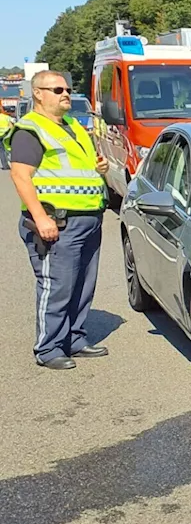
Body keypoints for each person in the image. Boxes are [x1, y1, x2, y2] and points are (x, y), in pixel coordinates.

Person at [3, 71, 111, 370]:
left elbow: (78, 168)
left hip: (88, 219)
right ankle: (48, 348)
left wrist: (99, 167)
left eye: (67, 89)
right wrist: (40, 218)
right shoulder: (31, 129)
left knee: (82, 286)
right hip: (56, 222)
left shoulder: (73, 126)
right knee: (57, 286)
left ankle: (74, 339)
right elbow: (20, 175)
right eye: (57, 89)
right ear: (38, 93)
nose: (66, 94)